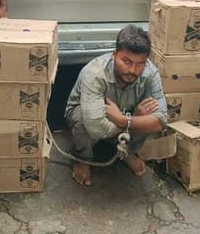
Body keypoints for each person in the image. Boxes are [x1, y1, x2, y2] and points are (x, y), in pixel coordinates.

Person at [65, 25, 167, 186]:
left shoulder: (150, 73)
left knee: (148, 113)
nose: (132, 70)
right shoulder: (95, 73)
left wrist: (124, 120)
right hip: (92, 117)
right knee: (83, 119)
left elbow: (161, 121)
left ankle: (125, 152)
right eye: (126, 61)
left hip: (121, 116)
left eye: (140, 64)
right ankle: (82, 158)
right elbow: (95, 127)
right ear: (114, 55)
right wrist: (130, 122)